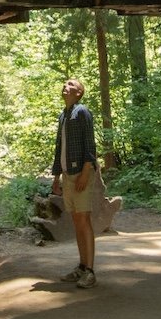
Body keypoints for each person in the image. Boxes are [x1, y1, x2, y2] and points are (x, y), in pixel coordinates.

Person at [51, 77, 98, 288]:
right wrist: (56, 176)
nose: (65, 86)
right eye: (65, 83)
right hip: (68, 175)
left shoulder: (82, 112)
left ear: (79, 93)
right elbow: (59, 148)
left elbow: (90, 143)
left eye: (71, 85)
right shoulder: (63, 116)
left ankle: (90, 271)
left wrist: (86, 172)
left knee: (83, 220)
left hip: (81, 173)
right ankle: (81, 266)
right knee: (76, 222)